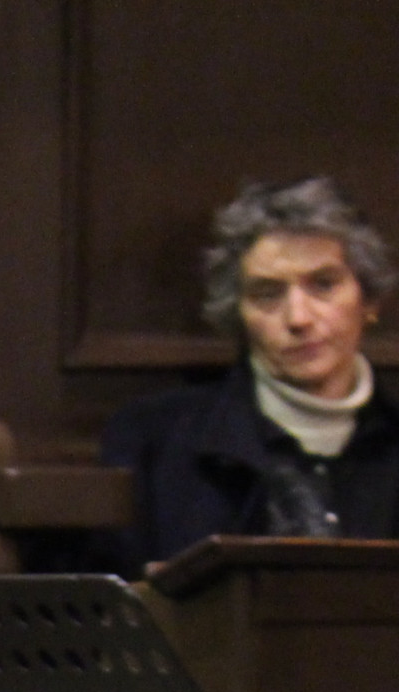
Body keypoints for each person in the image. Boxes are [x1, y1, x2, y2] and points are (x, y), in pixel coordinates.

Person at [100, 176, 399, 574]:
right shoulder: (153, 439)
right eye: (267, 294)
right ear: (238, 313)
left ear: (369, 300)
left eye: (323, 285)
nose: (298, 318)